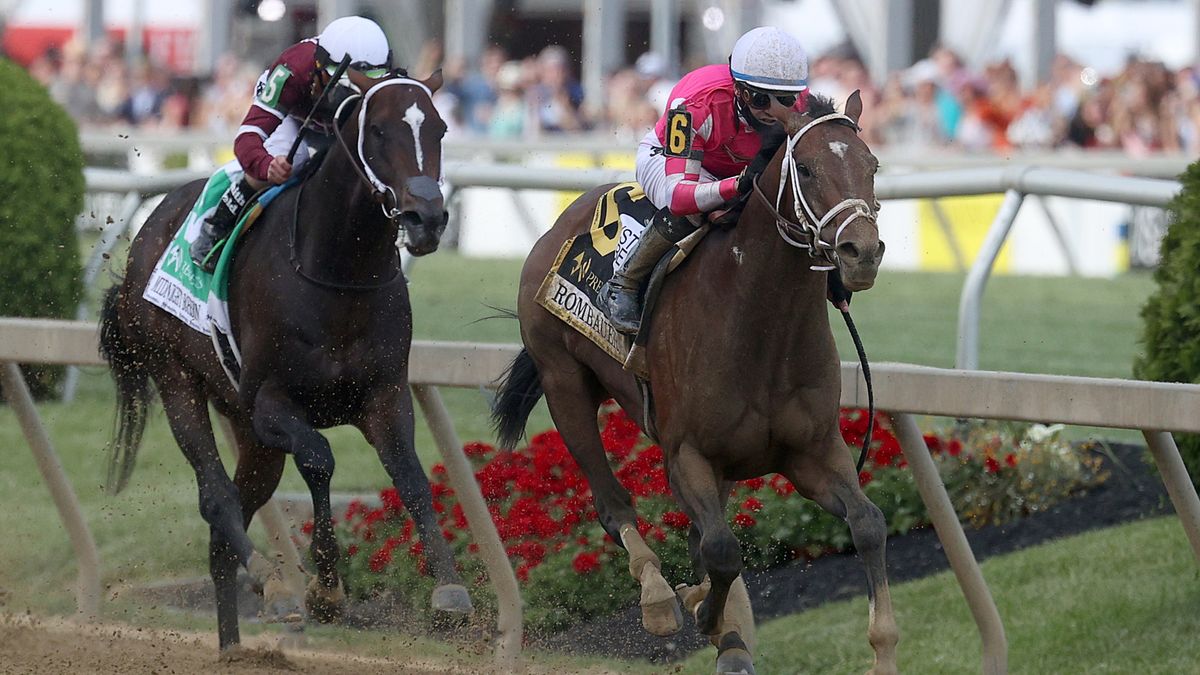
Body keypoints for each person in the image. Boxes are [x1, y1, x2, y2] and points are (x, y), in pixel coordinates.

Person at [598, 26, 811, 334]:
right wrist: (737, 185)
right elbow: (679, 196)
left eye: (784, 99)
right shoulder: (694, 102)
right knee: (696, 210)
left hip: (737, 171)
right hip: (670, 162)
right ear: (738, 87)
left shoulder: (803, 104)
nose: (772, 110)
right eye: (760, 98)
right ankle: (623, 285)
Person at [190, 15, 393, 271]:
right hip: (295, 113)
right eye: (341, 84)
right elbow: (247, 139)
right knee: (290, 159)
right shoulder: (292, 70)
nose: (350, 96)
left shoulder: (387, 79)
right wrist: (267, 166)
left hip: (338, 125)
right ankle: (216, 226)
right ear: (318, 65)